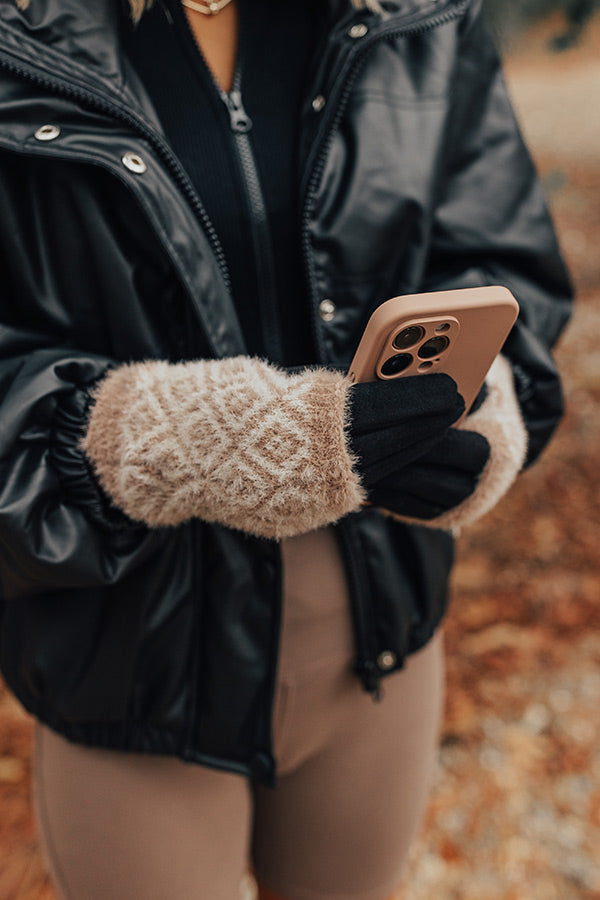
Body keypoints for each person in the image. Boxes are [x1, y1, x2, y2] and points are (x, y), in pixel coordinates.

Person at [0, 0, 572, 898]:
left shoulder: (419, 16)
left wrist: (486, 404)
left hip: (379, 651)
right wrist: (153, 438)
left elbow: (505, 272)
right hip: (136, 674)